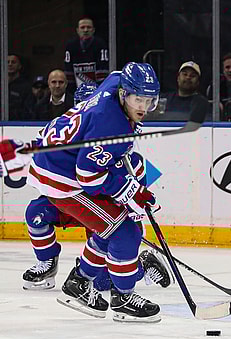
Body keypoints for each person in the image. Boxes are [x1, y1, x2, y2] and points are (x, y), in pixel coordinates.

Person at [3, 63, 165, 322]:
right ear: (124, 94)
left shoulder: (115, 84)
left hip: (55, 161)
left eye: (148, 100)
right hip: (61, 177)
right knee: (125, 230)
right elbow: (89, 177)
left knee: (109, 227)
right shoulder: (112, 127)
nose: (143, 108)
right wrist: (129, 190)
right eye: (138, 99)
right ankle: (123, 299)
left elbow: (115, 74)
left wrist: (129, 187)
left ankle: (79, 283)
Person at [63, 17, 109, 91]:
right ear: (77, 30)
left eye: (89, 27)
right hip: (75, 90)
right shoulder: (70, 46)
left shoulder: (100, 44)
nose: (85, 30)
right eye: (82, 27)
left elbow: (103, 70)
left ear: (93, 30)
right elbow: (68, 71)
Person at [8, 53, 33, 120]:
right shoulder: (3, 85)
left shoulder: (25, 86)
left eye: (13, 62)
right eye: (7, 62)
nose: (10, 64)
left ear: (19, 66)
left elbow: (28, 110)